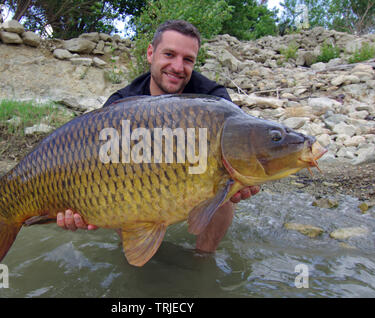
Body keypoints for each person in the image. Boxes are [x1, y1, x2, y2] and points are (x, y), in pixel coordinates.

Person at [56, 20, 260, 253]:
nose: (177, 66)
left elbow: (238, 144)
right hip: (135, 176)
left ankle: (203, 256)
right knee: (116, 183)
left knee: (225, 183)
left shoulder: (213, 99)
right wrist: (79, 207)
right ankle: (133, 252)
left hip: (195, 174)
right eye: (169, 54)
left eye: (188, 60)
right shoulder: (121, 102)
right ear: (151, 53)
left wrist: (247, 175)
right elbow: (99, 165)